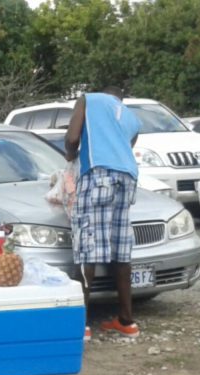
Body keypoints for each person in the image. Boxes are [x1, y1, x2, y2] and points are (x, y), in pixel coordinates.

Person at [64, 86, 141, 339]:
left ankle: (81, 325)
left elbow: (73, 138)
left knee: (87, 248)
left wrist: (70, 156)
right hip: (128, 178)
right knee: (120, 249)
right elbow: (125, 148)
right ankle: (127, 321)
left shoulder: (88, 99)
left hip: (98, 175)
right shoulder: (131, 117)